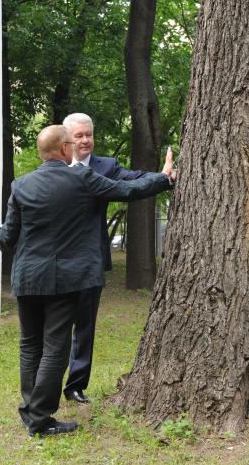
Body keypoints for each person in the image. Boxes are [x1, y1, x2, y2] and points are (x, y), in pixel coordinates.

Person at [0, 124, 175, 437]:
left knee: (30, 346)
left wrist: (2, 235)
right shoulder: (81, 178)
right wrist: (164, 178)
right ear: (65, 148)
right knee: (55, 348)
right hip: (64, 280)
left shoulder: (21, 185)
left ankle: (31, 411)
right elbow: (128, 191)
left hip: (27, 278)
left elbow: (7, 238)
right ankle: (39, 419)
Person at [62, 113, 176, 404]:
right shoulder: (54, 165)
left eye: (89, 134)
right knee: (56, 325)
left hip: (91, 258)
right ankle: (47, 381)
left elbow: (133, 181)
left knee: (85, 324)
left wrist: (163, 177)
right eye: (79, 136)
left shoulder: (106, 167)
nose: (86, 140)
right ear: (66, 140)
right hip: (57, 260)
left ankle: (76, 385)